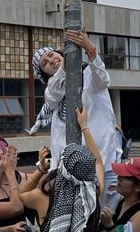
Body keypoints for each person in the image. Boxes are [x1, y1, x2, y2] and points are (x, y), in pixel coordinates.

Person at [30, 29, 119, 216]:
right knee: (77, 222)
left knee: (104, 218)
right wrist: (65, 65)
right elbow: (53, 96)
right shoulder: (53, 90)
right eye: (45, 63)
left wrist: (89, 49)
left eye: (51, 54)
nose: (51, 60)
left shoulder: (88, 72)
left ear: (59, 52)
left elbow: (103, 80)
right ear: (43, 73)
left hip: (102, 162)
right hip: (69, 172)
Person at [30, 130, 101, 232]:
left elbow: (20, 195)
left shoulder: (43, 197)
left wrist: (40, 168)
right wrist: (85, 127)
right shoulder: (94, 194)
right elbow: (98, 163)